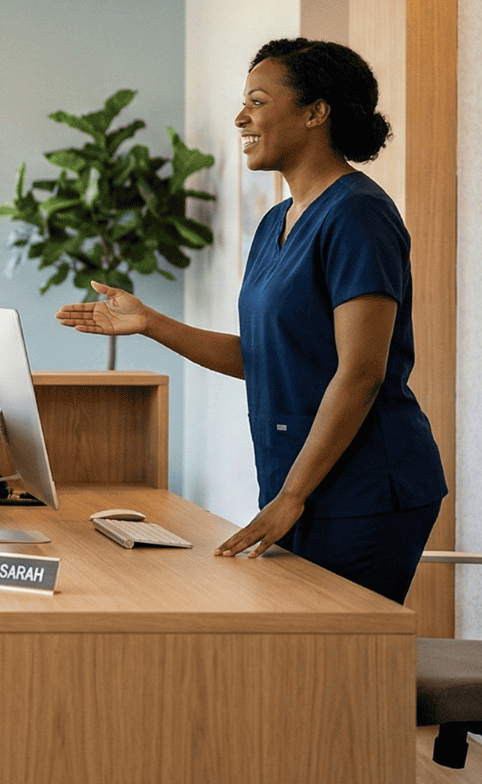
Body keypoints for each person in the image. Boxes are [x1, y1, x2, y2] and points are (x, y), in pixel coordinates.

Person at [57, 37, 446, 604]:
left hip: (366, 485)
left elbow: (361, 372)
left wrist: (291, 496)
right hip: (302, 479)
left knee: (339, 668)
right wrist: (150, 323)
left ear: (316, 112)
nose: (241, 117)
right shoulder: (276, 224)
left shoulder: (358, 216)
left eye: (258, 102)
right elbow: (264, 357)